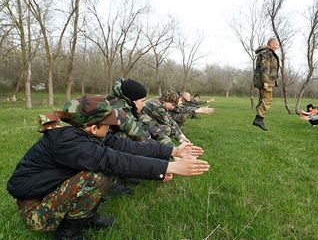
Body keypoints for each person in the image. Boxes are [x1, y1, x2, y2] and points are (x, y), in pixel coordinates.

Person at [7, 95, 209, 239]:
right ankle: (68, 234)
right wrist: (171, 168)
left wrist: (173, 152)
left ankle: (85, 217)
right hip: (35, 212)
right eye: (108, 125)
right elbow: (117, 161)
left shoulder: (81, 133)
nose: (111, 128)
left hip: (48, 194)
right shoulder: (69, 143)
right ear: (93, 127)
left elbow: (126, 147)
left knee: (106, 169)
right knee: (97, 175)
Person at [106, 77, 152, 142]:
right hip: (98, 143)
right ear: (133, 101)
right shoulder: (119, 107)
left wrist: (138, 113)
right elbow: (138, 132)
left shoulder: (129, 105)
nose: (144, 104)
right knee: (124, 137)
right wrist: (165, 151)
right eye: (142, 101)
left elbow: (147, 124)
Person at [252, 37, 280, 131]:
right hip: (265, 81)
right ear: (271, 44)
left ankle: (258, 118)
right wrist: (266, 82)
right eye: (276, 45)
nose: (277, 47)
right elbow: (265, 68)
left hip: (265, 80)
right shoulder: (267, 53)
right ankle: (259, 119)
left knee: (263, 99)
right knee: (268, 100)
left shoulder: (265, 52)